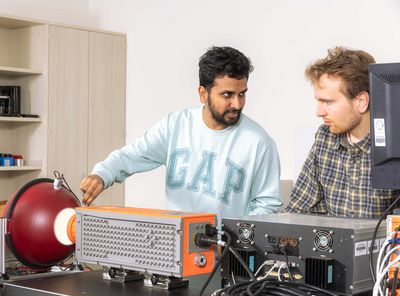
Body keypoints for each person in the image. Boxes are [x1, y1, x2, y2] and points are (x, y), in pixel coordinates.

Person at [80, 46, 282, 218]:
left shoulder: (259, 143)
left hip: (229, 253)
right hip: (176, 248)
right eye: (227, 95)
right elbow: (131, 156)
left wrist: (234, 240)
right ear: (203, 94)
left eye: (242, 94)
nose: (237, 104)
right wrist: (102, 174)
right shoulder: (175, 125)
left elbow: (267, 207)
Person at [286, 46, 398, 218]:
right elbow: (298, 211)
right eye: (318, 101)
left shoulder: (394, 146)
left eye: (327, 102)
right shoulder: (325, 138)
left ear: (361, 101)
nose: (319, 112)